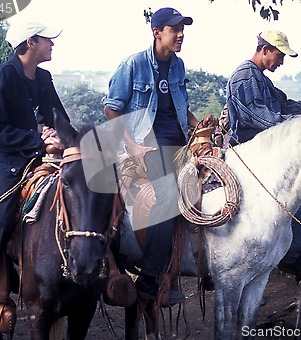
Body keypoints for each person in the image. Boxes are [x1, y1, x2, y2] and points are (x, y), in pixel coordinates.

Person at [226, 30, 301, 282]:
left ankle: (290, 252)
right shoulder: (245, 77)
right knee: (295, 196)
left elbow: (286, 106)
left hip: (266, 149)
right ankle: (290, 257)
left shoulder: (263, 80)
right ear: (265, 50)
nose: (281, 61)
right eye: (279, 55)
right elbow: (259, 118)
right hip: (249, 150)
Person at [103, 7, 201, 304]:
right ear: (157, 32)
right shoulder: (133, 65)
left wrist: (199, 125)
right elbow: (111, 109)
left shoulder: (179, 65)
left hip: (179, 144)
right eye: (175, 29)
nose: (181, 34)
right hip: (145, 146)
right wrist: (132, 146)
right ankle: (149, 277)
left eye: (183, 29)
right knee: (169, 195)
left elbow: (180, 108)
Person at [0, 20, 69, 305]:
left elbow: (58, 117)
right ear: (30, 42)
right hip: (7, 159)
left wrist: (68, 138)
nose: (52, 44)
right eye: (47, 39)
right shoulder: (1, 77)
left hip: (42, 154)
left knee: (87, 197)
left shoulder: (44, 78)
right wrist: (37, 140)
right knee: (1, 216)